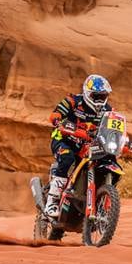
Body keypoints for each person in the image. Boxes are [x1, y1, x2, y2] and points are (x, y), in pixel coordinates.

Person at [43, 74, 114, 218]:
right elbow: (54, 116)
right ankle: (52, 202)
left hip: (86, 146)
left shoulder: (108, 110)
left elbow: (114, 129)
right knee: (67, 158)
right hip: (64, 140)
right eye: (96, 96)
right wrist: (59, 122)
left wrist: (124, 139)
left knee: (109, 159)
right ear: (87, 94)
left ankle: (102, 199)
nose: (100, 100)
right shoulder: (72, 101)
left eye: (103, 96)